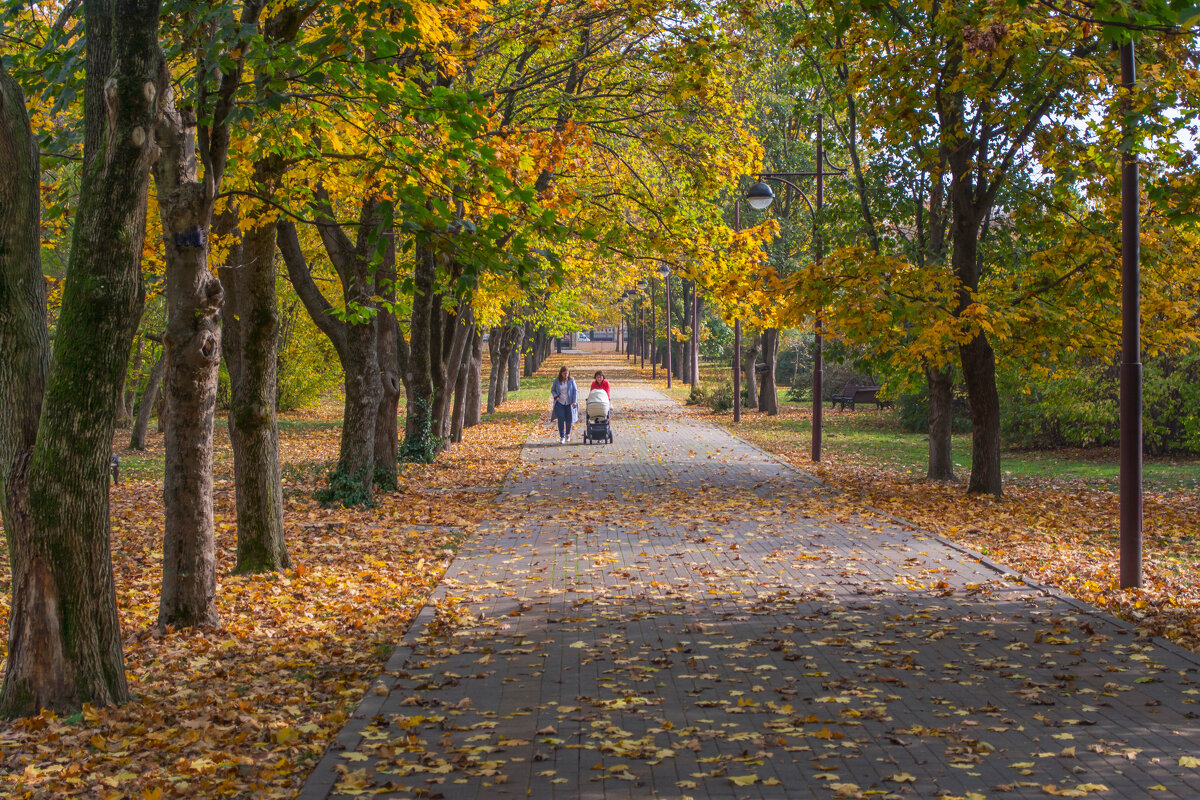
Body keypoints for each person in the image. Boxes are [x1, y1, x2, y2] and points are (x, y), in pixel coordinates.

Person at [550, 366, 578, 444]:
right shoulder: (557, 381)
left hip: (569, 403)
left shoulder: (571, 380)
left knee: (569, 419)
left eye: (567, 373)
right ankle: (562, 437)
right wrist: (556, 396)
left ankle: (567, 435)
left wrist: (574, 401)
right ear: (561, 373)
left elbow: (575, 391)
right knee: (561, 419)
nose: (566, 375)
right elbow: (553, 390)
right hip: (560, 403)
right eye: (564, 373)